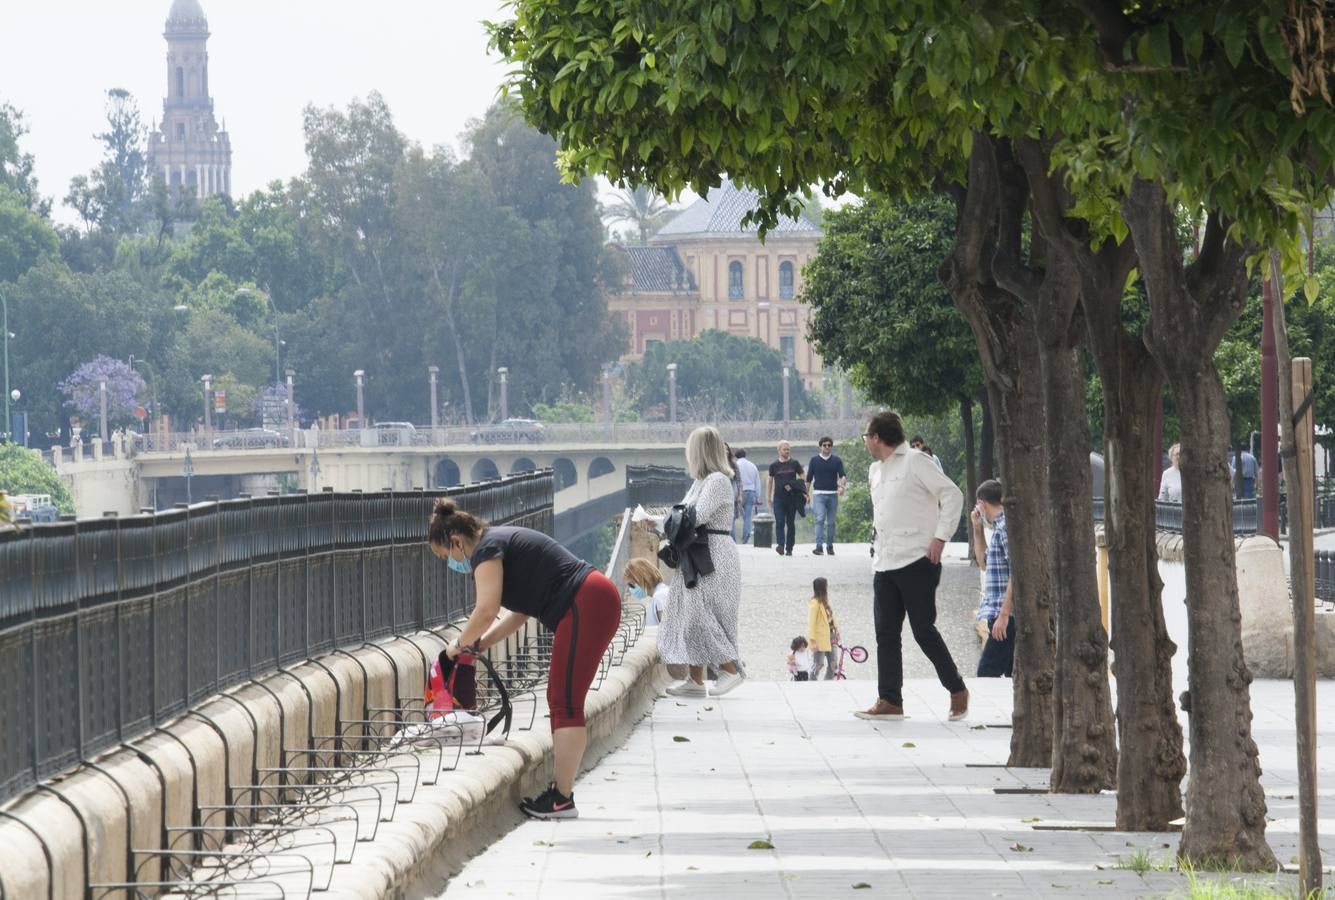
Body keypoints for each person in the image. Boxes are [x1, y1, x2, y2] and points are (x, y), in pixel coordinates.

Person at [428, 498, 621, 820]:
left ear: (456, 541)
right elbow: (521, 611)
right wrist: (482, 643)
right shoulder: (497, 543)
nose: (451, 563)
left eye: (446, 556)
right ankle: (561, 794)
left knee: (564, 701)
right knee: (562, 699)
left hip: (585, 601)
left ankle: (561, 798)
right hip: (592, 598)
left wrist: (456, 647)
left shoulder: (486, 551)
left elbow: (486, 609)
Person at [856, 410, 968, 722]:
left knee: (923, 630)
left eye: (867, 436)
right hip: (884, 561)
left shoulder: (916, 461)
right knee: (886, 634)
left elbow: (953, 494)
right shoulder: (875, 470)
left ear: (877, 437)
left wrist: (940, 538)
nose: (865, 441)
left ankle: (957, 688)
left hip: (918, 559)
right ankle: (890, 699)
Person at [660, 426, 747, 697]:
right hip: (698, 552)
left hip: (713, 553)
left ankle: (730, 669)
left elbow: (694, 516)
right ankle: (696, 680)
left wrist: (665, 522)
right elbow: (682, 514)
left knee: (702, 615)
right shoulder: (702, 481)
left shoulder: (717, 481)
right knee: (690, 614)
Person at [969, 480, 1014, 677]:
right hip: (999, 614)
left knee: (986, 673)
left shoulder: (1005, 528)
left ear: (981, 503)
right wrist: (977, 530)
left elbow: (1016, 572)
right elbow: (984, 563)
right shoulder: (998, 529)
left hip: (1006, 616)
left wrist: (1004, 615)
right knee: (1010, 674)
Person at [806, 437, 847, 555]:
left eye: (829, 445)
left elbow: (843, 476)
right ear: (820, 446)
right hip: (818, 494)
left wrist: (841, 487)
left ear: (831, 447)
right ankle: (819, 547)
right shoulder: (814, 460)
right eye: (824, 445)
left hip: (833, 494)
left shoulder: (837, 460)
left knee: (831, 522)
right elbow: (808, 478)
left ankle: (829, 546)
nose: (827, 447)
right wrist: (806, 494)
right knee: (819, 520)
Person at [767, 441, 807, 556]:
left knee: (790, 523)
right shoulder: (774, 465)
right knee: (779, 521)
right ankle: (780, 545)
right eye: (785, 449)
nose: (787, 451)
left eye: (788, 449)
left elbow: (803, 476)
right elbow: (770, 482)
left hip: (792, 498)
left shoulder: (794, 463)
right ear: (779, 450)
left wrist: (800, 489)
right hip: (778, 498)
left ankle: (789, 548)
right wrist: (769, 498)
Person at [807, 576, 839, 680]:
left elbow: (831, 618)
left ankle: (827, 683)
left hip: (832, 635)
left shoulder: (826, 602)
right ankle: (811, 681)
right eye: (826, 585)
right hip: (820, 638)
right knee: (818, 664)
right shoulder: (815, 603)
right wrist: (812, 641)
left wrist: (837, 630)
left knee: (834, 664)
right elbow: (811, 623)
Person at [625, 557, 669, 627]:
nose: (631, 589)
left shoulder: (660, 597)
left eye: (631, 585)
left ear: (642, 578)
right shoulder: (657, 597)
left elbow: (668, 630)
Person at [734, 449, 761, 543]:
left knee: (733, 516)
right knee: (748, 516)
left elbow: (734, 481)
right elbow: (757, 481)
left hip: (739, 493)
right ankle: (745, 539)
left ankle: (732, 539)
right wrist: (757, 496)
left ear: (736, 456)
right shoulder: (752, 465)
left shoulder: (735, 465)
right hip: (751, 492)